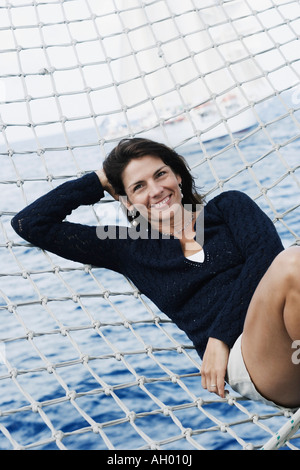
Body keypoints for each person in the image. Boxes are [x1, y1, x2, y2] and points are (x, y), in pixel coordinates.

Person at [11, 137, 300, 408]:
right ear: (127, 201)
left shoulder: (228, 207)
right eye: (139, 187)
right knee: (293, 263)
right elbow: (30, 223)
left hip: (271, 331)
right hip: (249, 361)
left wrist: (218, 337)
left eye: (160, 175)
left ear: (178, 176)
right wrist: (99, 180)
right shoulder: (128, 249)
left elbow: (265, 259)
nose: (156, 190)